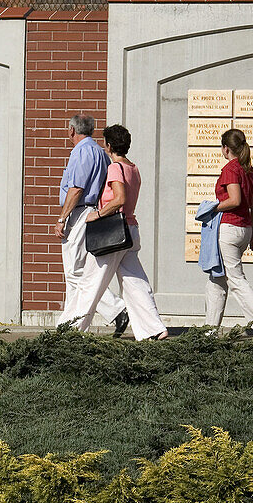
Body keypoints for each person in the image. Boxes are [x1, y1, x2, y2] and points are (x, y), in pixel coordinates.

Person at [73, 124, 168, 340]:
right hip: (130, 231)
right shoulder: (133, 168)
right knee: (136, 283)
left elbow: (120, 199)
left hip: (113, 233)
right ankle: (154, 328)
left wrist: (97, 214)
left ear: (108, 145)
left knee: (90, 282)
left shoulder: (115, 168)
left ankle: (71, 330)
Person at [54, 113, 129, 336]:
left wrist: (62, 218)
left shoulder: (82, 152)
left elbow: (76, 189)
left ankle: (117, 310)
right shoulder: (99, 151)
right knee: (76, 274)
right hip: (93, 212)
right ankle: (70, 325)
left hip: (80, 213)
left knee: (76, 272)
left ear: (71, 130)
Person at [201, 129, 253, 335]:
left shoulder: (231, 169)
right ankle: (209, 332)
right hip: (244, 229)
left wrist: (212, 207)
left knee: (236, 280)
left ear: (226, 148)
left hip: (229, 229)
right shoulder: (250, 171)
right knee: (217, 279)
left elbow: (235, 200)